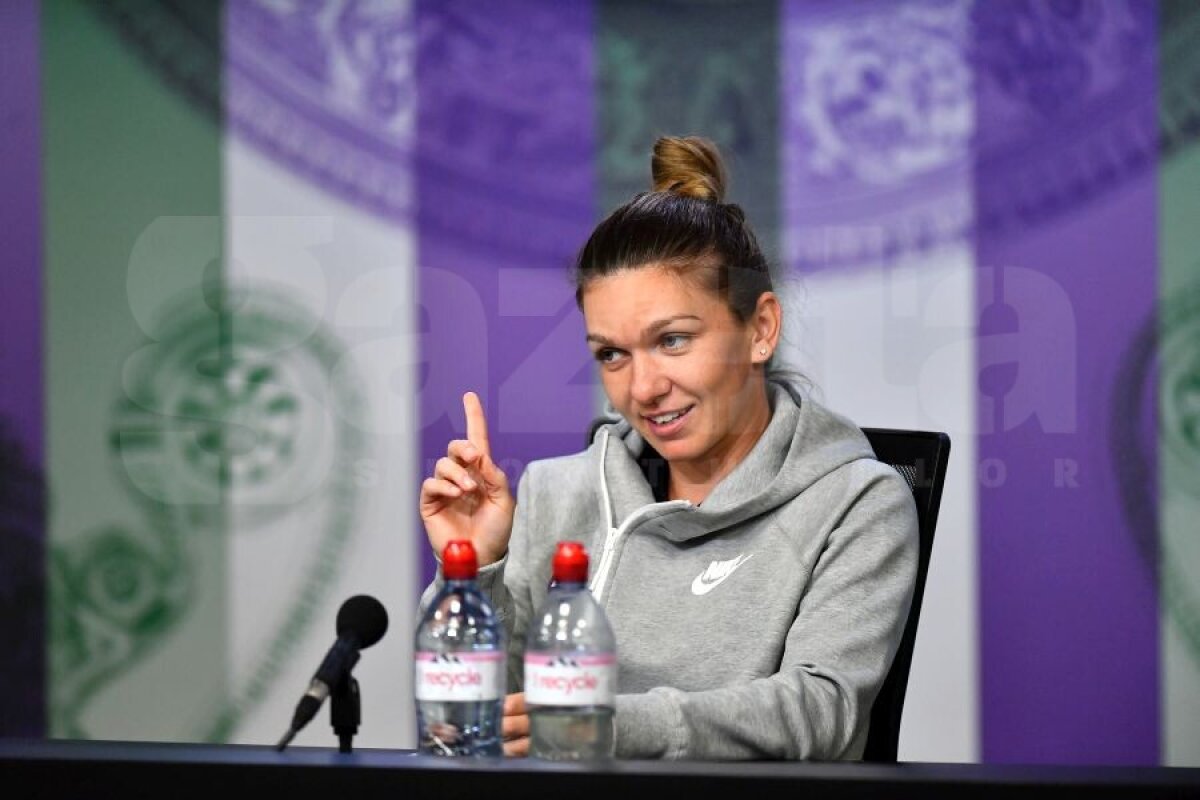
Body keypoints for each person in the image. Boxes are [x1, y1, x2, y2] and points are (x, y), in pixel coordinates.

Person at [418, 136, 918, 760]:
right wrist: (475, 571)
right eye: (612, 354)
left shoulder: (858, 501)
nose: (645, 388)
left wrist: (611, 725)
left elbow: (824, 713)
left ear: (760, 329)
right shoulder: (556, 492)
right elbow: (477, 733)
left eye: (673, 341)